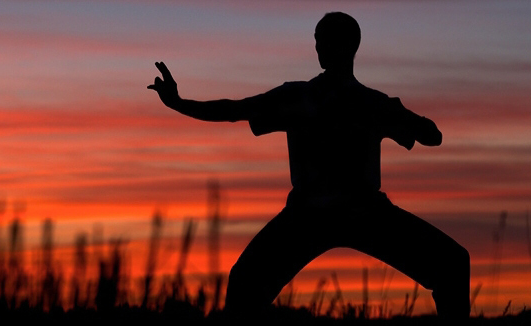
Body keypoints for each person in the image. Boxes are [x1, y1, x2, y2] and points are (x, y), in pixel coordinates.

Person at [148, 11, 469, 321]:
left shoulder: (360, 102)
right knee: (244, 284)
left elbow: (432, 136)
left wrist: (405, 118)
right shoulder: (310, 97)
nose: (320, 48)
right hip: (313, 215)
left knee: (453, 264)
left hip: (359, 213)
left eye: (326, 41)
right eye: (318, 40)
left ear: (349, 46)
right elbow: (235, 110)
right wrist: (178, 103)